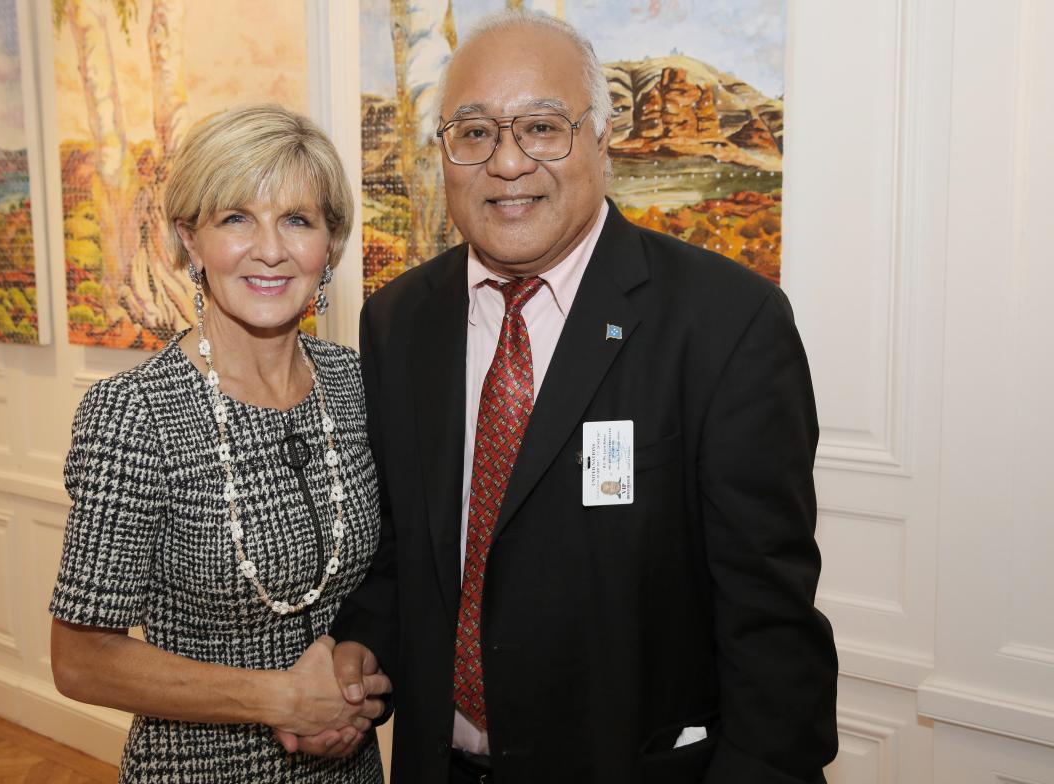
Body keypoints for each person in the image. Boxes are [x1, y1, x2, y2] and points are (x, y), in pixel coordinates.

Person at [319, 11, 838, 784]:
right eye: (473, 132)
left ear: (602, 139)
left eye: (542, 126)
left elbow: (770, 628)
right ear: (444, 155)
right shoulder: (399, 322)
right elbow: (401, 549)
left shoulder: (728, 324)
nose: (507, 161)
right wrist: (361, 644)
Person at [49, 104, 390, 783]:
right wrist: (279, 699)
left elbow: (388, 578)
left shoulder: (357, 385)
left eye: (297, 219)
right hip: (199, 769)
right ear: (190, 240)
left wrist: (353, 672)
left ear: (330, 246)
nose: (270, 248)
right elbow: (80, 658)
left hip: (347, 765)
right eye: (236, 218)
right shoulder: (134, 413)